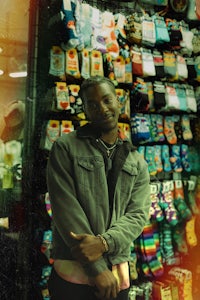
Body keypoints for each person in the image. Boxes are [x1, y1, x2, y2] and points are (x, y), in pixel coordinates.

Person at [47, 76, 151, 300]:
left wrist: (104, 243)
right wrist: (97, 268)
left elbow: (138, 215)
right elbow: (66, 210)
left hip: (117, 278)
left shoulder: (137, 161)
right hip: (73, 276)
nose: (102, 108)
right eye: (92, 104)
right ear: (84, 109)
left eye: (107, 100)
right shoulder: (65, 148)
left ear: (118, 101)